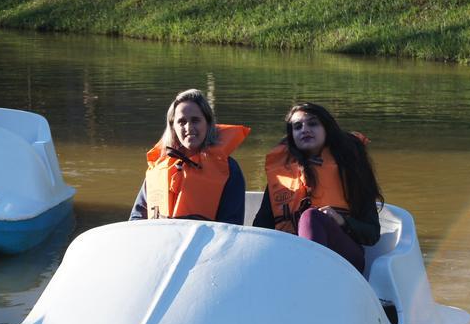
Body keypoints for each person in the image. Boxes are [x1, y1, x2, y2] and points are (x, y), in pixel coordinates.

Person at [252, 102, 383, 274]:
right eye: (297, 127)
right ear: (292, 136)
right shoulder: (281, 178)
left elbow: (372, 234)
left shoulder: (352, 170)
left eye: (312, 123)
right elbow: (261, 229)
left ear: (327, 129)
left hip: (345, 262)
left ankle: (310, 283)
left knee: (311, 216)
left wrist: (341, 221)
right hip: (290, 257)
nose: (305, 129)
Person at [131, 89, 249, 224]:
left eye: (195, 120)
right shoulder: (159, 167)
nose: (189, 128)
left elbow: (231, 226)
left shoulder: (229, 169)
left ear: (208, 123)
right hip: (161, 242)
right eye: (182, 121)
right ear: (173, 126)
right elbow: (136, 219)